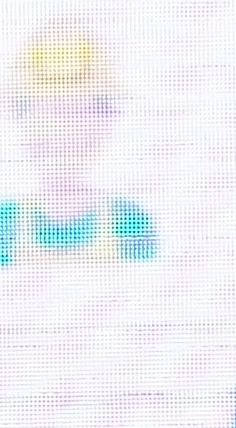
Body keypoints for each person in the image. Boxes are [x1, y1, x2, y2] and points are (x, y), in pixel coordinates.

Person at [1, 22, 156, 265]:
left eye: (75, 112)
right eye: (51, 111)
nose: (61, 131)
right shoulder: (6, 224)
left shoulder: (128, 222)